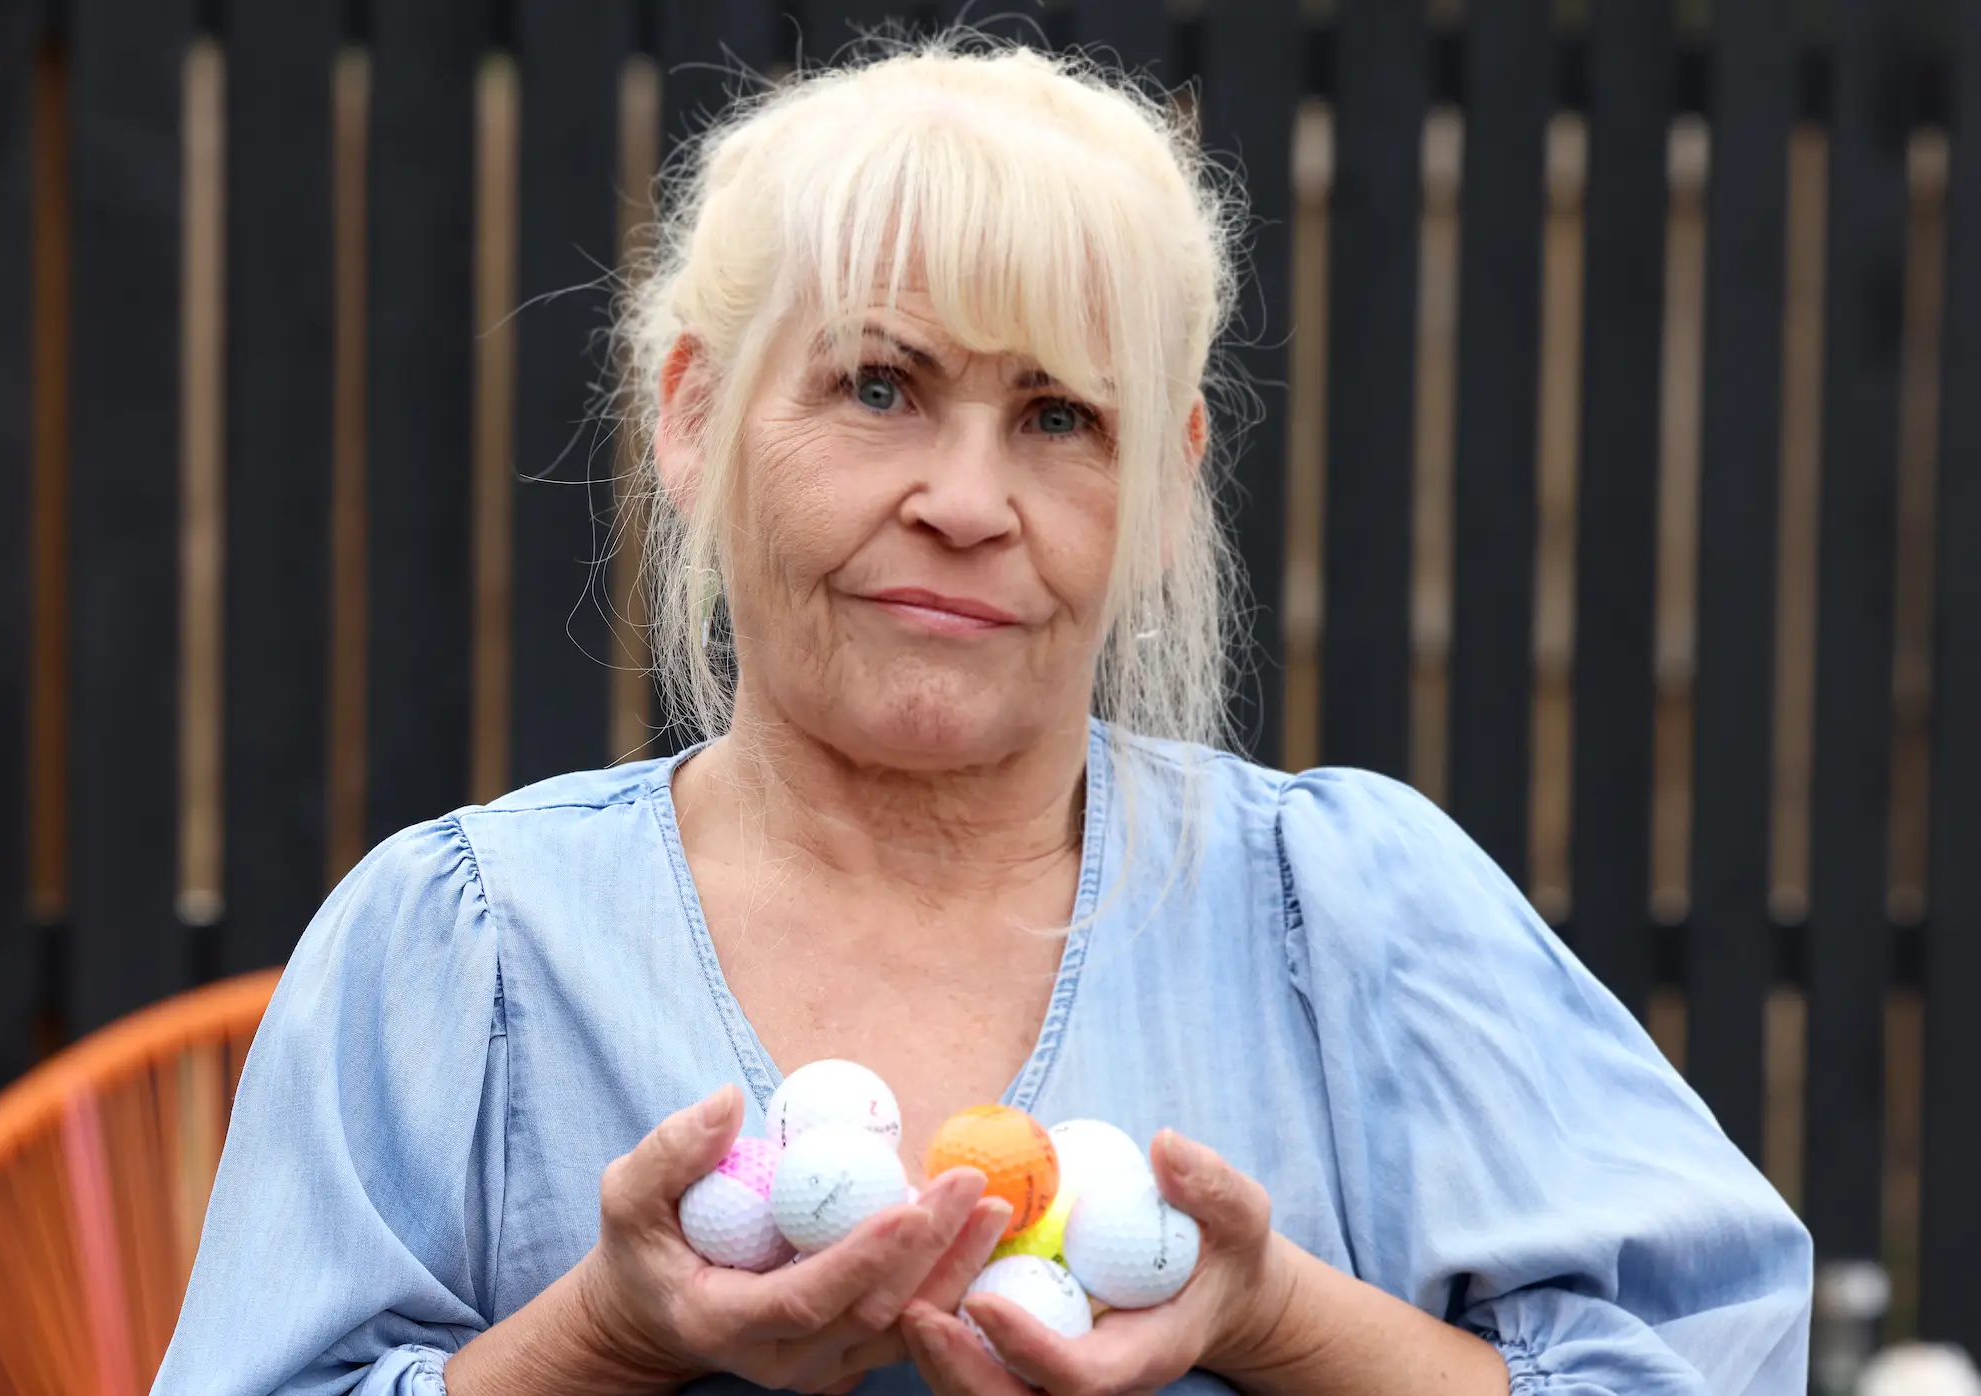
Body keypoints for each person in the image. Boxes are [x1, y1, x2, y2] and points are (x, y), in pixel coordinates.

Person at [153, 35, 1811, 1396]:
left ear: (1161, 488)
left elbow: (1715, 1364)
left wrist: (1270, 1317)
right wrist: (603, 1338)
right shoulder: (468, 950)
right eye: (877, 387)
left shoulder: (1354, 915)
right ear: (693, 416)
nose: (965, 501)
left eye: (1057, 416)